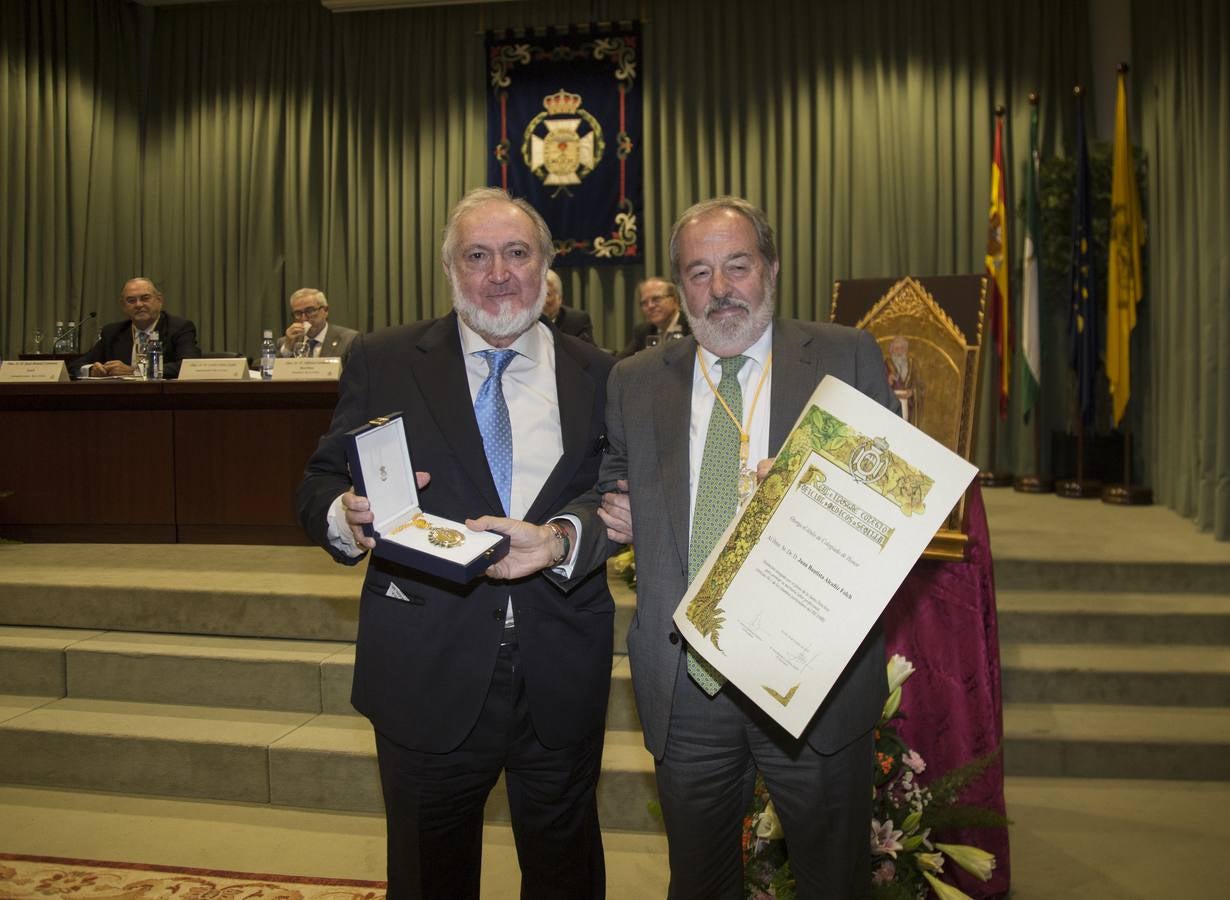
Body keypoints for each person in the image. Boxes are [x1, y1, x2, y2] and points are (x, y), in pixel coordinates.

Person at [480, 197, 899, 899]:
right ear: (679, 288)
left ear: (770, 269)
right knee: (698, 884)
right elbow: (610, 499)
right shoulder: (637, 380)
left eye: (738, 266)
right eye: (699, 273)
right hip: (688, 681)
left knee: (836, 881)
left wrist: (814, 497)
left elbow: (893, 498)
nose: (721, 290)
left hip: (811, 680)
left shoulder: (843, 355)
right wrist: (557, 540)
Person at [294, 188, 616, 899]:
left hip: (560, 666)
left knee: (567, 874)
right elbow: (319, 480)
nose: (498, 274)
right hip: (423, 667)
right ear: (450, 271)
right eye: (477, 256)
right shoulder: (384, 359)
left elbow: (617, 499)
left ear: (546, 266)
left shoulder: (602, 373)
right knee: (428, 878)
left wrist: (568, 535)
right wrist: (345, 519)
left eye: (516, 253)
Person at [69, 277, 202, 378]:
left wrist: (134, 371)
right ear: (123, 306)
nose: (138, 305)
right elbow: (74, 366)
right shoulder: (113, 332)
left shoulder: (179, 328)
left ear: (159, 301)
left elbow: (189, 366)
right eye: (131, 301)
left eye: (145, 298)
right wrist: (91, 369)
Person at [617, 276, 689, 357]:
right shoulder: (643, 331)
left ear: (675, 300)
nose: (650, 306)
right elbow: (620, 361)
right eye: (644, 303)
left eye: (656, 299)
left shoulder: (691, 328)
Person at [279, 288, 358, 359]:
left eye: (310, 311)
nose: (304, 318)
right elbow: (273, 373)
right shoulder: (285, 343)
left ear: (325, 311)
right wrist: (287, 349)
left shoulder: (349, 339)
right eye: (298, 313)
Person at [543, 270, 596, 344]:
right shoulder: (523, 321)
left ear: (559, 298)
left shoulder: (577, 322)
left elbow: (588, 354)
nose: (539, 301)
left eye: (546, 294)